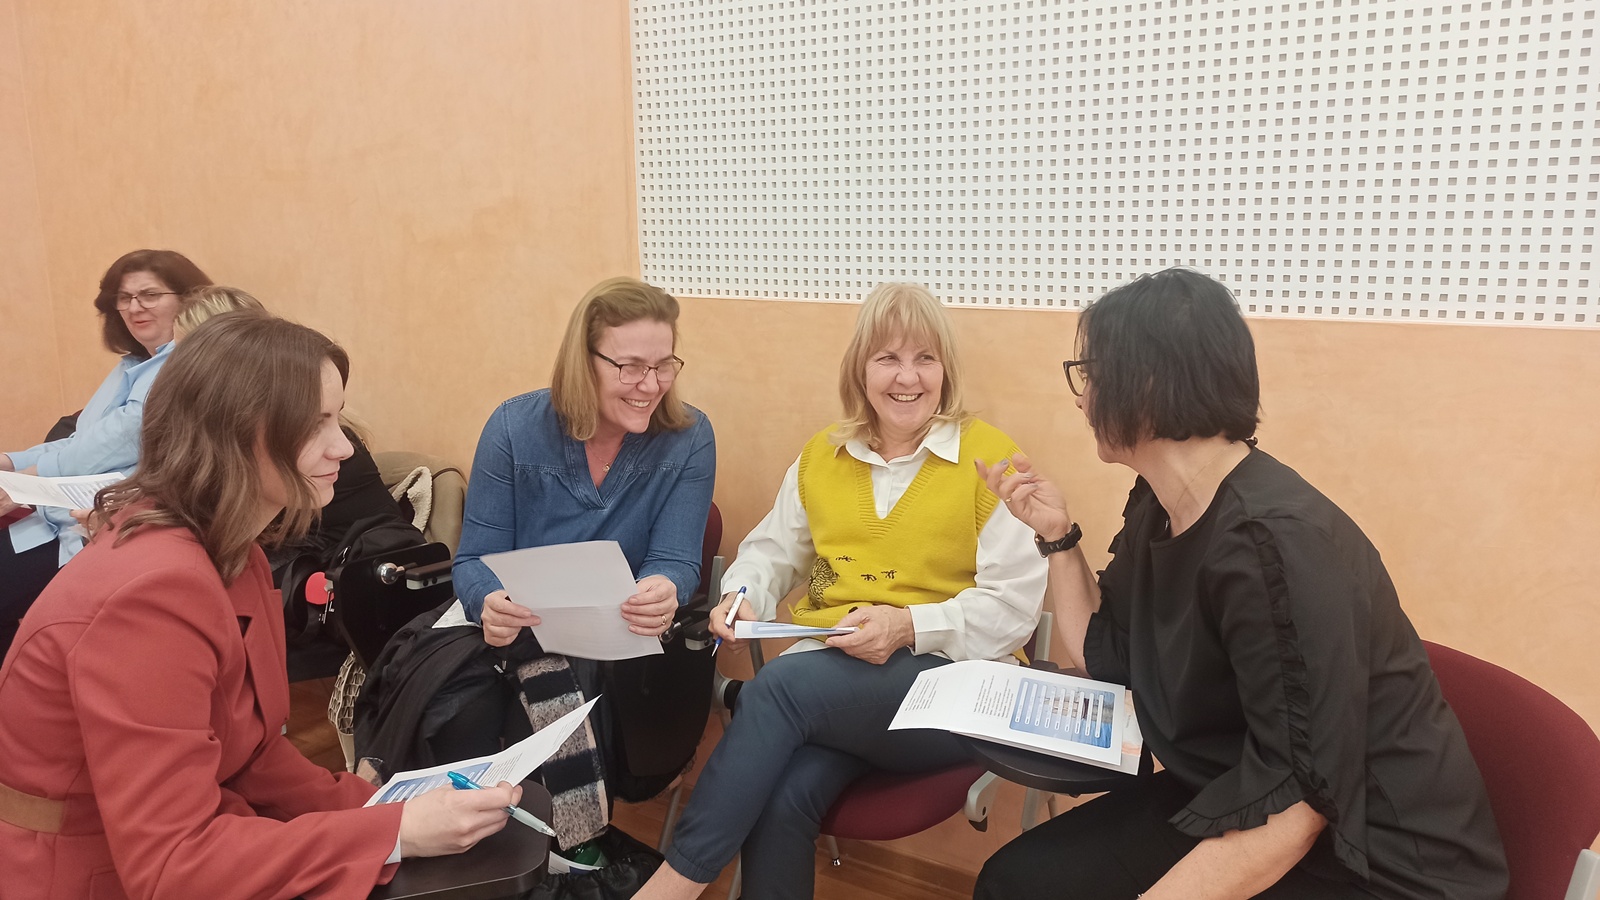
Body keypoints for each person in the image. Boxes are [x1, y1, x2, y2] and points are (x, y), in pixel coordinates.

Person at [972, 269, 1508, 900]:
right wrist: (1059, 539)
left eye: (1090, 375)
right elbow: (1102, 653)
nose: (1082, 399)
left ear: (1148, 385)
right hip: (1236, 792)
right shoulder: (1159, 505)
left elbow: (1301, 803)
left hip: (1373, 860)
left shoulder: (1276, 546)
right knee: (1015, 883)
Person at [0, 312, 521, 900]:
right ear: (236, 434)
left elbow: (254, 756)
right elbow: (173, 866)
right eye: (318, 424)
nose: (344, 446)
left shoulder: (233, 553)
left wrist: (379, 807)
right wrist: (394, 831)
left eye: (338, 418)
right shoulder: (150, 594)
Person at [637, 283, 1047, 900]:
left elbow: (1013, 611)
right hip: (839, 691)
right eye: (888, 358)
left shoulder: (992, 462)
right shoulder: (823, 456)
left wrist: (907, 627)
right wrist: (742, 596)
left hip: (952, 691)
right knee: (781, 796)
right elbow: (771, 551)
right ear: (861, 369)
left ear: (946, 371)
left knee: (778, 688)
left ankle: (674, 885)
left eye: (925, 358)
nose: (907, 377)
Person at [450, 276, 715, 847]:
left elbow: (676, 559)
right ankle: (529, 854)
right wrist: (487, 600)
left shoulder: (689, 437)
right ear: (584, 360)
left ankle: (553, 857)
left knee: (561, 690)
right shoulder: (513, 429)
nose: (651, 385)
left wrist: (664, 588)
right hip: (514, 634)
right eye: (630, 367)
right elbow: (472, 561)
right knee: (457, 703)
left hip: (613, 645)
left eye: (664, 365)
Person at [0, 249, 213, 654]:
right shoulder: (130, 366)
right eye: (125, 297)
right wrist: (11, 461)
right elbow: (82, 439)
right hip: (58, 515)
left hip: (105, 526)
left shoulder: (183, 368)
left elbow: (112, 445)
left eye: (150, 295)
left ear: (188, 299)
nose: (135, 307)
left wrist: (23, 481)